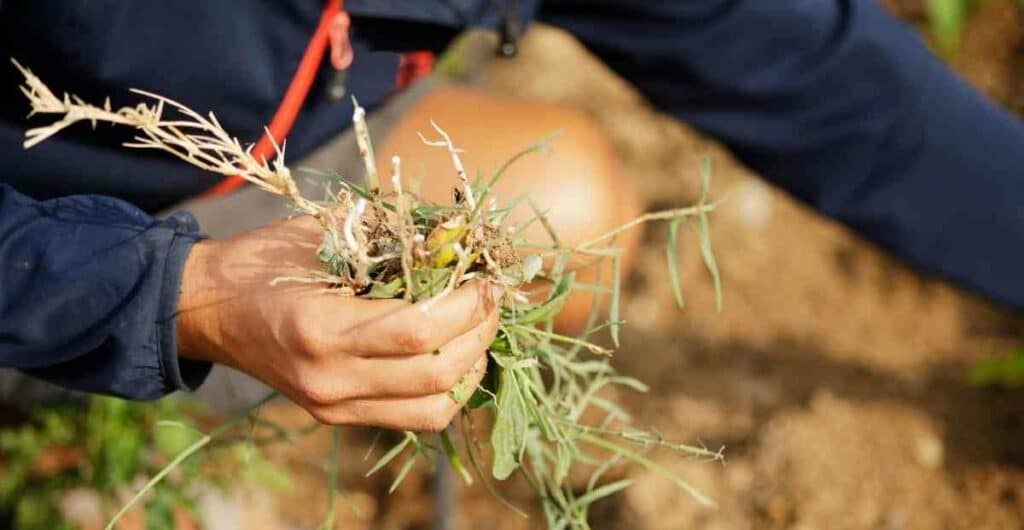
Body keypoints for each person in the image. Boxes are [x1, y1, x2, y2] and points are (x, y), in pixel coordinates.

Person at [2, 1, 1022, 432]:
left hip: (248, 166)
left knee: (558, 215)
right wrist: (172, 296)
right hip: (44, 225)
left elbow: (825, 80)